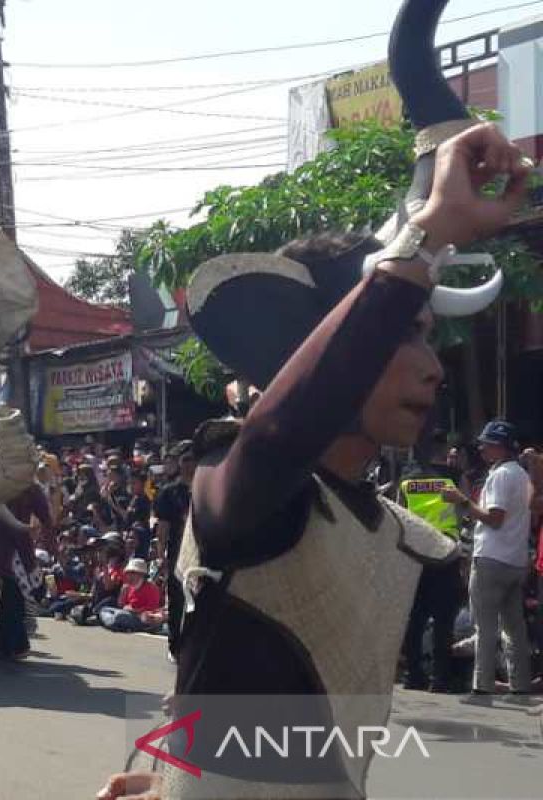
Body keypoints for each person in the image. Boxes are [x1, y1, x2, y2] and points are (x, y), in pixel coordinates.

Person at [101, 115, 527, 797]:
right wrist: (427, 238)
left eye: (427, 340)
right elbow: (281, 436)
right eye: (404, 337)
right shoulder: (234, 480)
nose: (432, 369)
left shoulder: (398, 534)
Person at [443, 420, 534, 695]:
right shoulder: (521, 475)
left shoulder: (499, 476)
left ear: (499, 447)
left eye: (486, 444)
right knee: (513, 628)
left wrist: (461, 500)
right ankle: (520, 684)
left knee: (485, 627)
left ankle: (482, 685)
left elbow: (494, 518)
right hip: (515, 560)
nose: (481, 449)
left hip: (492, 558)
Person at [399, 460, 464, 692]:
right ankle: (440, 678)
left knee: (415, 618)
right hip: (445, 550)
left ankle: (412, 675)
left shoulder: (406, 477)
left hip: (416, 551)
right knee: (443, 620)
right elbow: (463, 508)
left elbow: (399, 513)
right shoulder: (453, 475)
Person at [0, 482, 50, 660]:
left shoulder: (29, 488)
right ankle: (3, 641)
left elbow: (46, 520)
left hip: (13, 548)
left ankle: (10, 643)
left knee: (14, 594)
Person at [154, 447, 194, 661]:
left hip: (203, 554)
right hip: (178, 552)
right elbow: (163, 526)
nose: (189, 464)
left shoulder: (206, 488)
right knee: (177, 599)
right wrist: (161, 554)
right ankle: (175, 644)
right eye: (185, 460)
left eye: (192, 459)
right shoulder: (170, 492)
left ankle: (195, 644)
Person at [98, 558, 166, 633]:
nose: (129, 576)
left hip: (141, 617)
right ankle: (115, 623)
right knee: (104, 610)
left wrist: (135, 610)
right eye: (128, 573)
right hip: (127, 614)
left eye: (132, 573)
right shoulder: (128, 587)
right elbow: (121, 605)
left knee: (120, 616)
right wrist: (123, 594)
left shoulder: (152, 588)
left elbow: (152, 608)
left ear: (141, 574)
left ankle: (112, 623)